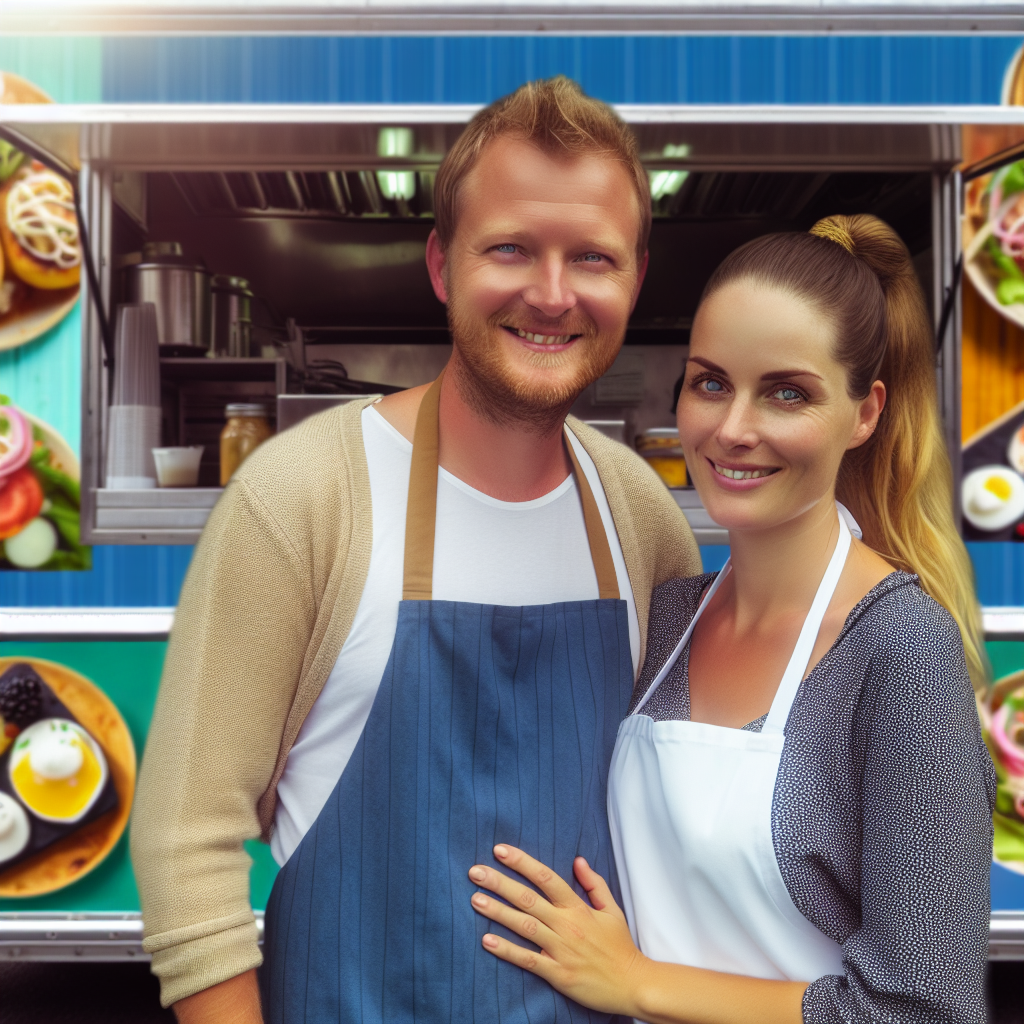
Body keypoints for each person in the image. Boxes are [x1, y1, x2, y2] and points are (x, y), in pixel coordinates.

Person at [130, 77, 702, 1024]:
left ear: (635, 278)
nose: (552, 295)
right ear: (442, 264)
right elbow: (186, 843)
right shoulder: (306, 496)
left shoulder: (639, 515)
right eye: (511, 248)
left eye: (592, 258)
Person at [467, 214, 997, 1023]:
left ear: (865, 413)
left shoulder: (899, 650)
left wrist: (638, 982)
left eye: (787, 393)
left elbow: (924, 1007)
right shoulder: (674, 613)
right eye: (711, 382)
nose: (733, 429)